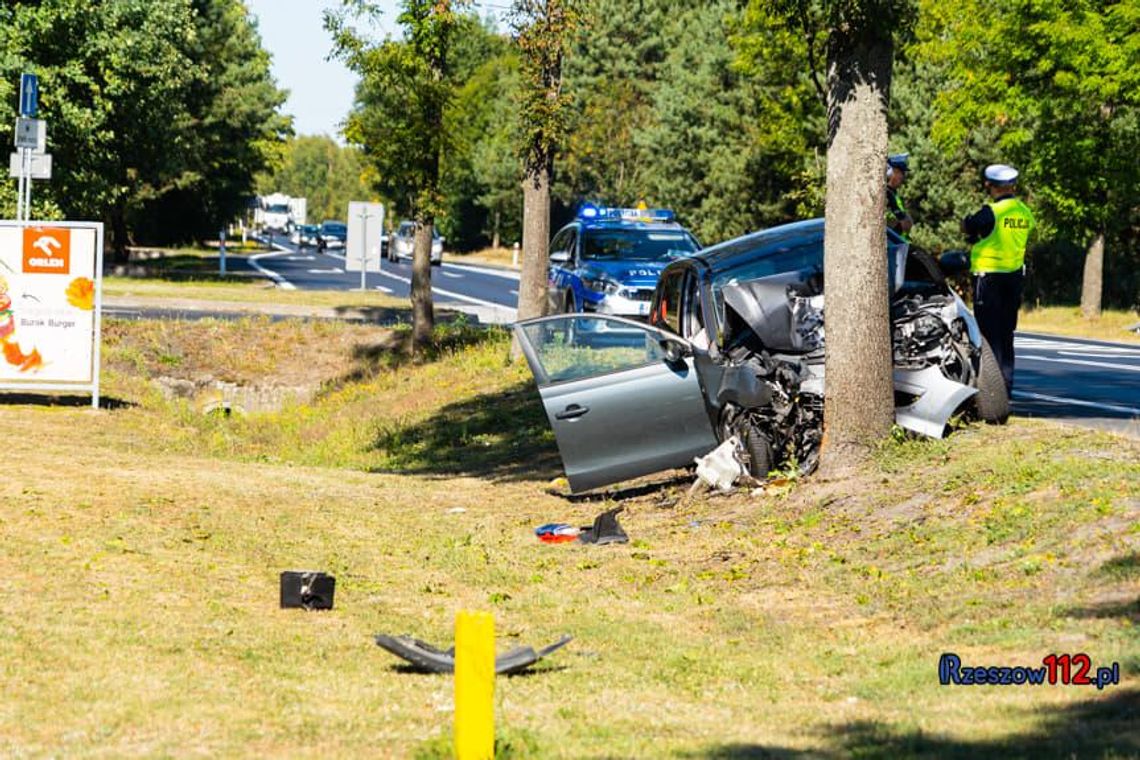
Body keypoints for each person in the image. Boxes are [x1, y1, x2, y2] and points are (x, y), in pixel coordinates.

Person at [961, 164, 1035, 394]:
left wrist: (969, 227)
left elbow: (968, 227)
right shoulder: (1024, 212)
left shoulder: (992, 211)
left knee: (987, 334)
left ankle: (990, 390)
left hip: (989, 277)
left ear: (991, 186)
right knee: (1006, 333)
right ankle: (1006, 386)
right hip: (1013, 278)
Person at [886, 153, 914, 240]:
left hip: (901, 242)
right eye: (899, 172)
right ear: (889, 172)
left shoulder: (893, 193)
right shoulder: (885, 193)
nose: (902, 176)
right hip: (892, 245)